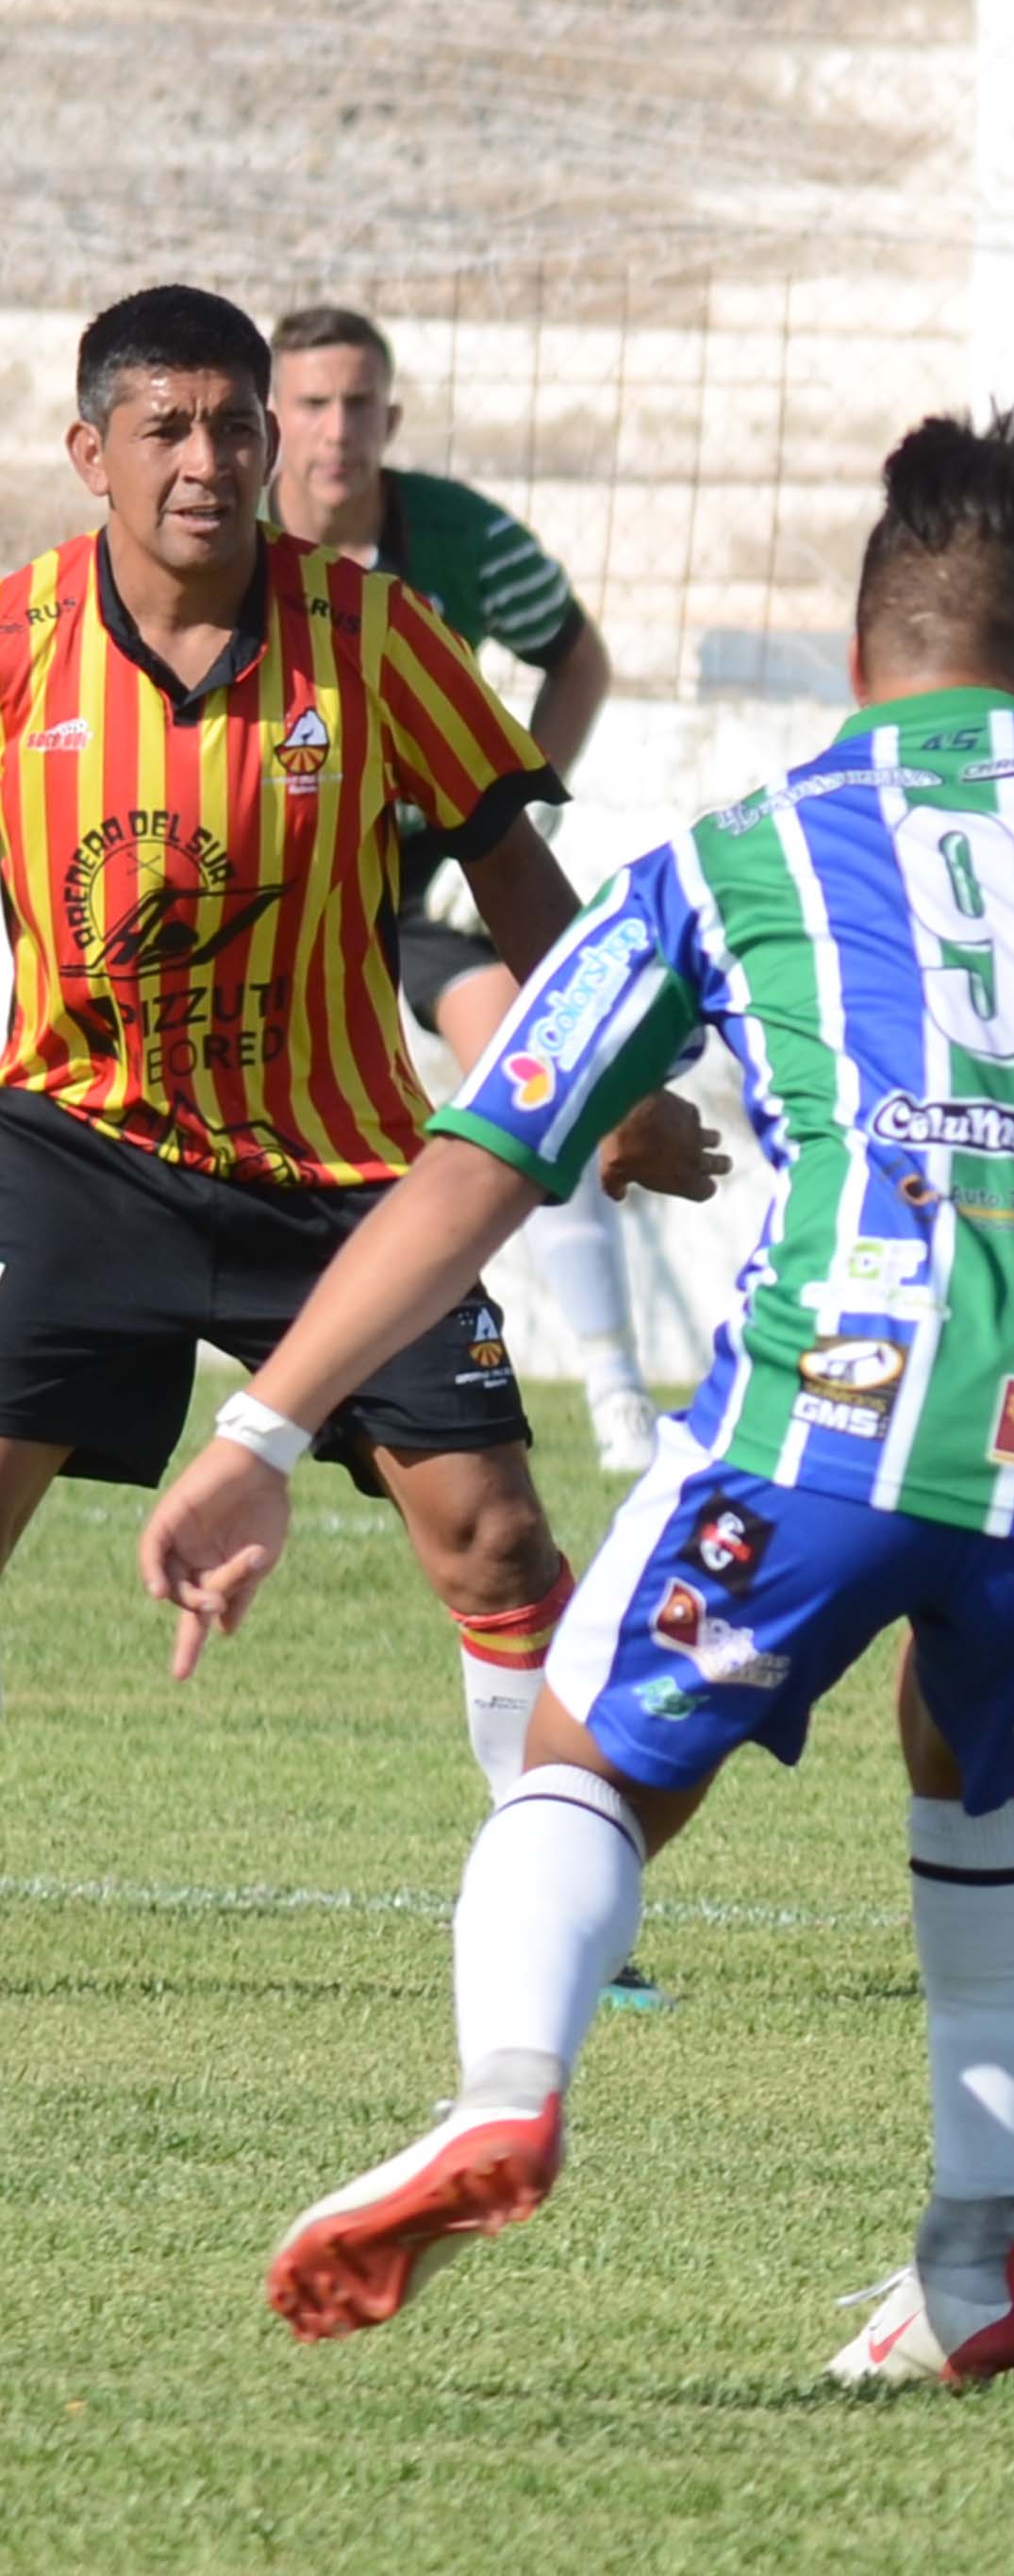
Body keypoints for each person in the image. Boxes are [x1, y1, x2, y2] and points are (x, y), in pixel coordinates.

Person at [141, 410, 1014, 2381]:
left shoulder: (734, 853)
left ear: (862, 655)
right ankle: (973, 2266)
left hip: (844, 1407)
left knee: (591, 1760)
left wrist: (262, 1430)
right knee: (984, 1758)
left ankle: (506, 2088)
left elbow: (483, 1160)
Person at [0, 283, 713, 1783]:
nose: (208, 461)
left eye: (234, 426)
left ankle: (550, 1870)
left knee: (496, 1539)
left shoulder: (376, 635)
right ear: (90, 452)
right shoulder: (15, 645)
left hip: (339, 1171)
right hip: (80, 1147)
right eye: (166, 428)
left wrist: (624, 1087)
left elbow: (515, 874)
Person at [269, 303, 672, 1478]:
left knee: (540, 1074)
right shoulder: (230, 543)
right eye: (312, 404)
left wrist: (515, 808)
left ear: (390, 418)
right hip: (292, 881)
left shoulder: (463, 539)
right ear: (274, 420)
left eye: (358, 405)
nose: (336, 429)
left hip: (441, 873)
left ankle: (615, 1389)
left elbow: (577, 655)